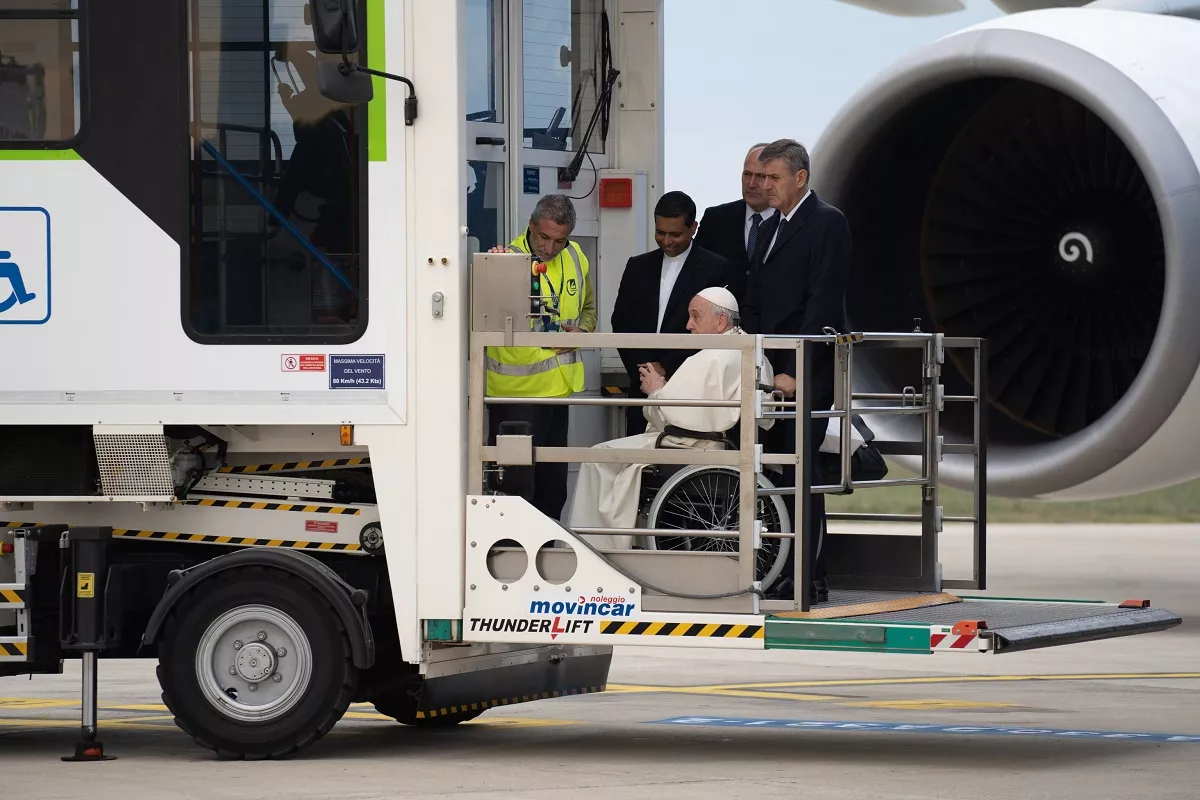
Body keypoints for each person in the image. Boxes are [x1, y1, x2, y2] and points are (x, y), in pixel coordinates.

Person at [567, 287, 774, 550]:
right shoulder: (748, 349)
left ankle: (597, 549)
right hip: (713, 443)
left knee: (597, 456)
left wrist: (655, 390)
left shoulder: (714, 356)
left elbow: (673, 417)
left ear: (720, 321)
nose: (688, 325)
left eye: (695, 317)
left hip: (690, 445)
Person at [741, 138, 852, 604]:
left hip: (802, 375)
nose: (764, 186)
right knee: (774, 476)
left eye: (773, 178)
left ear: (800, 178)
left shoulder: (827, 222)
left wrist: (794, 371)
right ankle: (783, 569)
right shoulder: (769, 228)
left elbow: (821, 304)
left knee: (801, 477)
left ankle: (810, 576)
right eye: (760, 177)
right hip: (768, 374)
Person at [484, 194, 597, 521]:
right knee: (514, 490)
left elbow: (588, 310)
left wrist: (582, 334)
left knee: (552, 489)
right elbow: (487, 319)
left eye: (559, 240)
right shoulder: (507, 260)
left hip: (558, 393)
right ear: (530, 226)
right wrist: (497, 268)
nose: (550, 248)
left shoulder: (575, 256)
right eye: (544, 237)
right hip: (515, 397)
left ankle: (545, 556)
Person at [610, 190, 737, 436]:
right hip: (642, 383)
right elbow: (622, 321)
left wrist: (667, 366)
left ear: (694, 228)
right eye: (660, 233)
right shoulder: (637, 265)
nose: (667, 240)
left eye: (675, 234)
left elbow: (715, 331)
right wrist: (646, 367)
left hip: (690, 386)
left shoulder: (716, 268)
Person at [694, 142, 778, 303]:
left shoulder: (790, 222)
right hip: (722, 323)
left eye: (760, 176)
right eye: (747, 174)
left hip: (773, 325)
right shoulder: (716, 219)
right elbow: (696, 273)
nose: (751, 183)